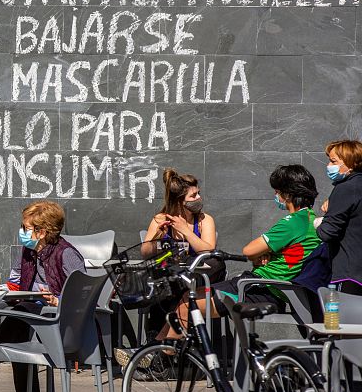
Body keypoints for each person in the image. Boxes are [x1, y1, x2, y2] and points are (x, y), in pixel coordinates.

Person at [155, 164, 321, 342]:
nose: (276, 196)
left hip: (258, 289)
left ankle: (162, 360)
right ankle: (156, 349)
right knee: (188, 297)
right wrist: (269, 255)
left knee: (187, 305)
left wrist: (260, 254)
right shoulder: (311, 220)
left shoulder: (293, 222)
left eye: (277, 192)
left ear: (288, 195)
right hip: (264, 287)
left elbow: (249, 250)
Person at [0, 200, 85, 392]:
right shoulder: (28, 253)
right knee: (12, 324)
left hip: (60, 324)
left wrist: (58, 300)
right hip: (31, 317)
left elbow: (82, 295)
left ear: (41, 232)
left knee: (11, 331)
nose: (21, 232)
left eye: (25, 228)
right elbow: (14, 285)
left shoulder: (66, 254)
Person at [141, 169, 219, 279]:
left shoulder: (205, 220)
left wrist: (186, 231)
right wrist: (157, 237)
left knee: (217, 264)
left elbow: (207, 252)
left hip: (195, 273)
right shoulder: (160, 219)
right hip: (169, 274)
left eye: (198, 193)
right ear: (179, 202)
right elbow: (145, 254)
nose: (199, 198)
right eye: (193, 195)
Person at [316, 140, 362, 280]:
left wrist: (319, 223)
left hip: (349, 274)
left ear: (351, 162)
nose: (329, 166)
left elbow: (327, 232)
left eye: (334, 161)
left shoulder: (346, 188)